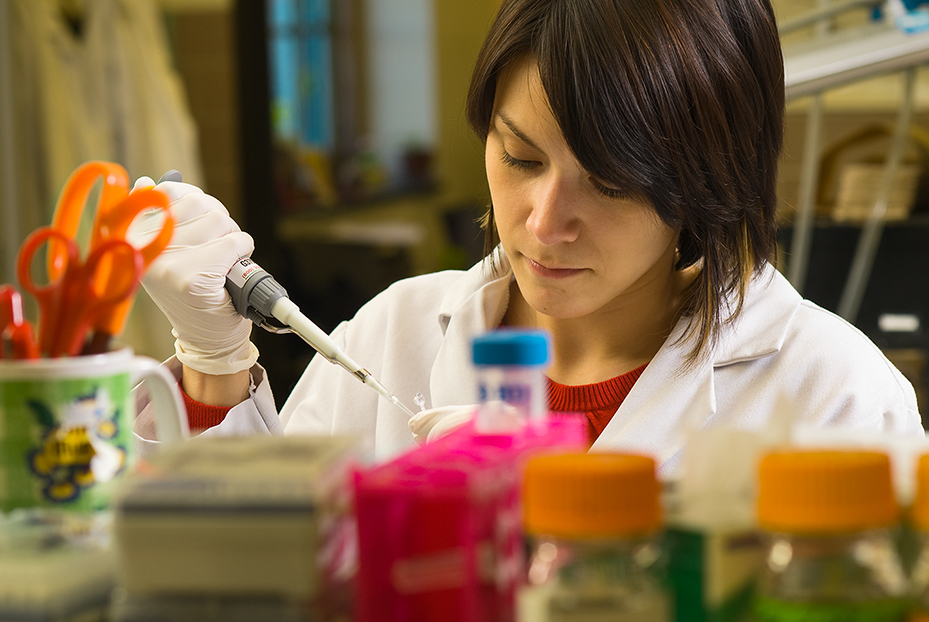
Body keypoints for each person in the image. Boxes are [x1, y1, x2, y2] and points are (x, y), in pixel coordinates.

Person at [133, 0, 923, 476]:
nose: (542, 222)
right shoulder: (395, 333)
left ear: (705, 179)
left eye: (610, 181)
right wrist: (216, 367)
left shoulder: (832, 391)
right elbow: (248, 581)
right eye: (519, 157)